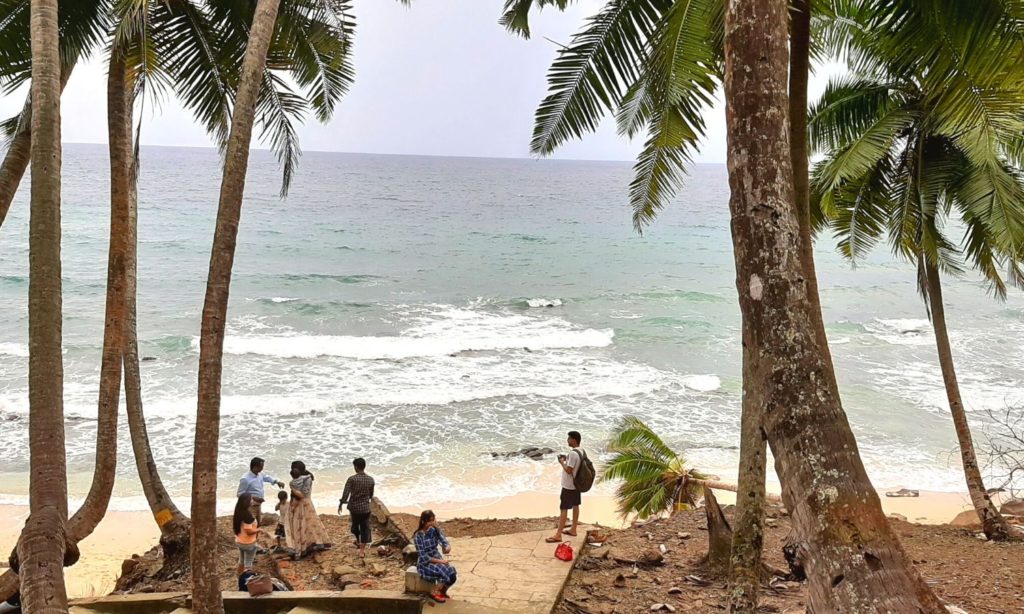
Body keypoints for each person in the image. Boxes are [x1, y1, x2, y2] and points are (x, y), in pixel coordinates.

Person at [284, 460, 332, 558]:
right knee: (310, 525)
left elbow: (302, 494)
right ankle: (314, 543)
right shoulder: (308, 478)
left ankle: (300, 548)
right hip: (307, 503)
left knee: (299, 526)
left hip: (300, 504)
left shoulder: (299, 481)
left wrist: (293, 491)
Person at [547, 430, 583, 543]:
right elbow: (576, 465)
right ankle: (573, 529)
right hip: (577, 485)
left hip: (569, 486)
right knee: (576, 505)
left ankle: (558, 535)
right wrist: (567, 459)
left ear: (574, 440)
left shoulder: (573, 454)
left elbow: (569, 470)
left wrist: (562, 462)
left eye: (569, 438)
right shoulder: (581, 451)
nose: (567, 440)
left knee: (563, 508)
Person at [413, 510, 456, 603]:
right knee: (444, 572)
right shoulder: (418, 536)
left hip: (437, 558)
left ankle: (443, 591)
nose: (433, 522)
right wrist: (441, 562)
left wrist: (447, 547)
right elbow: (424, 557)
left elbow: (443, 540)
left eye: (433, 520)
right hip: (426, 564)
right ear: (424, 521)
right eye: (430, 521)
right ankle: (434, 592)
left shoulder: (434, 530)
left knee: (452, 573)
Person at [338, 457, 375, 558]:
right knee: (365, 528)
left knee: (354, 526)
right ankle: (362, 551)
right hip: (365, 509)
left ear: (356, 467)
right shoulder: (371, 480)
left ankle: (358, 541)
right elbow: (371, 495)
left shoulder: (352, 479)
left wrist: (341, 503)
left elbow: (346, 493)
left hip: (354, 508)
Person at [237, 456, 285, 524]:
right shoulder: (245, 479)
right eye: (261, 466)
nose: (262, 468)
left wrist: (277, 482)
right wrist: (253, 497)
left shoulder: (260, 474)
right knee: (250, 524)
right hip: (250, 506)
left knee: (258, 524)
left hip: (258, 505)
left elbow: (267, 478)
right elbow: (239, 494)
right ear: (255, 467)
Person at [233, 494, 260, 574]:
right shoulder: (247, 515)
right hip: (248, 543)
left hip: (239, 541)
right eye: (251, 499)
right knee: (248, 564)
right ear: (246, 502)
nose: (252, 501)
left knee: (241, 561)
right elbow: (248, 531)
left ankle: (239, 578)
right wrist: (259, 530)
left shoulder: (238, 512)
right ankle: (247, 582)